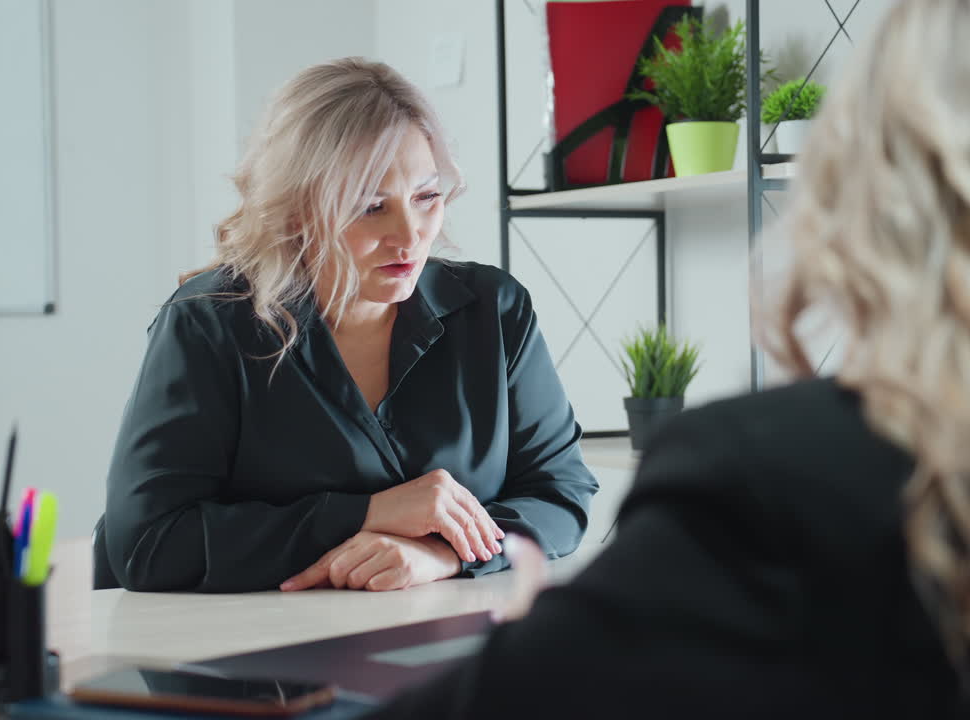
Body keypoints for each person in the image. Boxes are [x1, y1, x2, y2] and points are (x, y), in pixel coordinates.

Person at [366, 0, 970, 717]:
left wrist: (532, 649)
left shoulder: (763, 482)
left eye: (427, 196)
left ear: (866, 187)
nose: (408, 230)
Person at [95, 58, 598, 593]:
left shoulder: (493, 309)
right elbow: (148, 544)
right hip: (246, 657)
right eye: (370, 207)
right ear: (295, 212)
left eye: (426, 197)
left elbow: (561, 494)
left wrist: (442, 551)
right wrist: (368, 514)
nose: (409, 236)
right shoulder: (206, 323)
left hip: (436, 645)